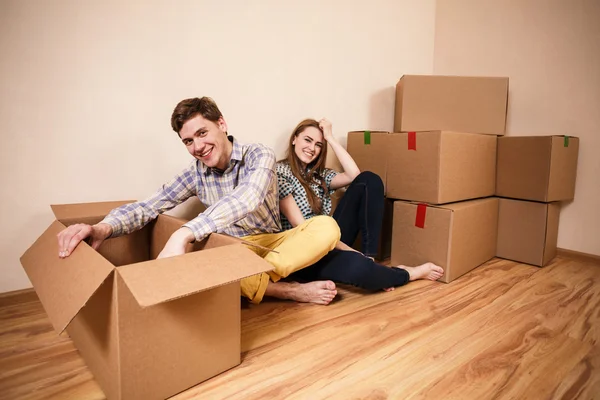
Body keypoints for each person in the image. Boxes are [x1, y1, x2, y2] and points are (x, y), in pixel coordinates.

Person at [56, 97, 342, 305]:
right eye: (188, 141)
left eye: (202, 133)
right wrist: (102, 229)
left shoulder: (259, 154)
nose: (197, 147)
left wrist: (185, 232)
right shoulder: (194, 175)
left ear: (221, 124)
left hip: (272, 244)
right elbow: (148, 206)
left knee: (327, 227)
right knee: (209, 262)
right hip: (231, 251)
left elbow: (248, 197)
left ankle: (259, 280)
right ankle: (289, 291)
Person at [276, 118, 444, 300]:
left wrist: (330, 138)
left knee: (369, 179)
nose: (312, 148)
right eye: (307, 140)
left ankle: (370, 258)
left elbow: (354, 175)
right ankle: (407, 273)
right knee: (359, 269)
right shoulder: (280, 172)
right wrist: (353, 253)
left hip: (330, 240)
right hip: (306, 254)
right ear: (294, 139)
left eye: (318, 144)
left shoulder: (319, 176)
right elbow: (306, 232)